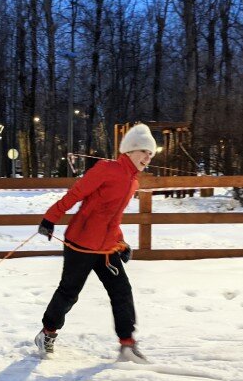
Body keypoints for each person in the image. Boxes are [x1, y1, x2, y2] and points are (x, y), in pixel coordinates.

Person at [35, 123, 156, 363]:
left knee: (122, 291)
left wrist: (121, 242)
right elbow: (75, 194)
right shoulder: (106, 169)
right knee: (69, 292)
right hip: (80, 242)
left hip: (106, 247)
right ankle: (47, 333)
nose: (148, 157)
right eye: (144, 151)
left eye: (151, 154)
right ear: (130, 150)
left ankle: (127, 344)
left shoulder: (133, 182)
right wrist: (50, 218)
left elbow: (113, 217)